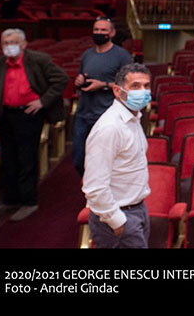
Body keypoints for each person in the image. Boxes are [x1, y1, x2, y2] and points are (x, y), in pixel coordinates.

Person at [0, 28, 68, 221]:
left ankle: (29, 202)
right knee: (8, 159)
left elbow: (61, 79)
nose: (8, 47)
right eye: (4, 43)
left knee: (26, 159)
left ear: (23, 44)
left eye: (12, 43)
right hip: (5, 115)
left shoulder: (39, 60)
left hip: (29, 115)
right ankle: (11, 199)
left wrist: (42, 101)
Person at [82, 63, 151, 249]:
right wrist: (118, 222)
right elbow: (94, 187)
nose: (142, 91)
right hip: (118, 216)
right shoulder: (110, 127)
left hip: (137, 210)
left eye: (146, 86)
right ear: (117, 91)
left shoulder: (134, 119)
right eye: (135, 86)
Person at [72, 16, 133, 175]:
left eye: (103, 30)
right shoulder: (87, 54)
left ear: (112, 33)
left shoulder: (122, 56)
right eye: (96, 30)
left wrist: (104, 85)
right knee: (79, 159)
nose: (99, 33)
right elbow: (81, 76)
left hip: (107, 115)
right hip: (84, 113)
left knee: (104, 161)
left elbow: (131, 87)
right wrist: (79, 81)